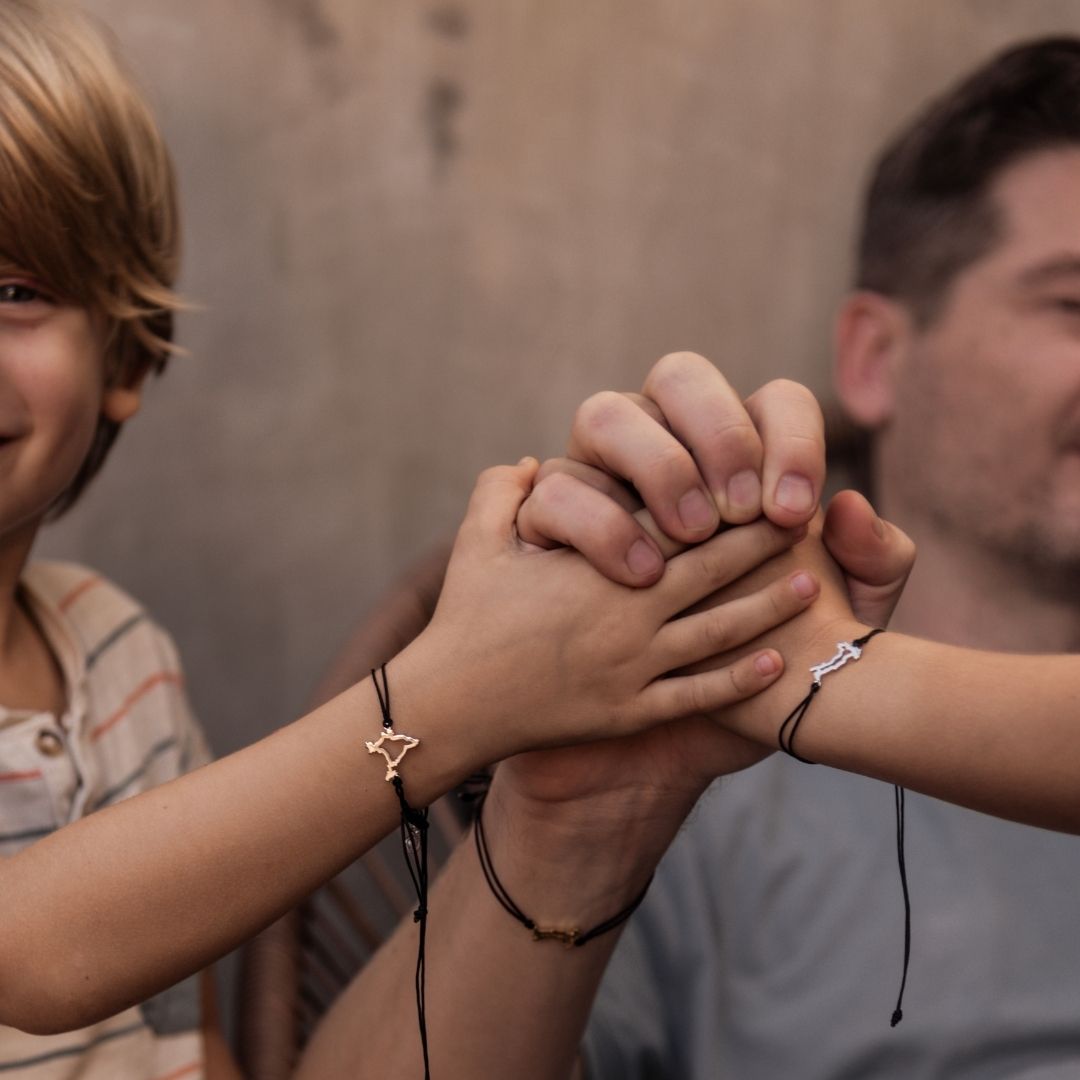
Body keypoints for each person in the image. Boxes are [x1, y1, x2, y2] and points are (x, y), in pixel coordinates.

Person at [0, 3, 832, 1077]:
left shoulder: (118, 659)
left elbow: (191, 1055)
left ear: (124, 361)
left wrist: (565, 816)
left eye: (15, 290)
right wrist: (456, 694)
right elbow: (32, 951)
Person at [327, 36, 1080, 1080]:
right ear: (875, 356)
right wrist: (570, 823)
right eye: (1072, 305)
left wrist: (835, 680)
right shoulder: (685, 738)